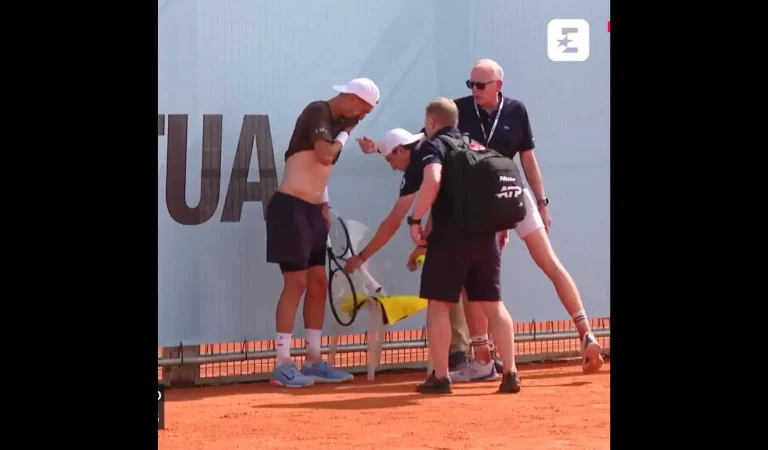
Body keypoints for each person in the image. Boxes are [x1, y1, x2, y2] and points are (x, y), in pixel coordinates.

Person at [361, 59, 604, 376]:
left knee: (548, 262)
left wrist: (542, 202)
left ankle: (585, 333)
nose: (473, 90)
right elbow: (417, 141)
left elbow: (528, 161)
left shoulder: (516, 111)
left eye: (480, 85)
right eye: (470, 84)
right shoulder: (458, 111)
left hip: (510, 194)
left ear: (498, 86)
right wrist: (379, 147)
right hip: (479, 207)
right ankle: (483, 358)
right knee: (476, 281)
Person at [347, 98, 521, 394]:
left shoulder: (430, 148)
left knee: (438, 304)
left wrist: (415, 222)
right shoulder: (472, 145)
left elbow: (432, 181)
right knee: (494, 305)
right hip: (486, 236)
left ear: (431, 123)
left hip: (452, 237)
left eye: (391, 159)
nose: (392, 167)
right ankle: (512, 374)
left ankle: (440, 377)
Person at [266, 78, 380, 388]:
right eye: (364, 110)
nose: (362, 117)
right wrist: (345, 134)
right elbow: (324, 156)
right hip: (289, 209)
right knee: (297, 282)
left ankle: (314, 360)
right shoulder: (318, 111)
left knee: (318, 283)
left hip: (314, 212)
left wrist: (324, 206)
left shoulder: (337, 123)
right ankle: (283, 363)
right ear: (353, 99)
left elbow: (321, 172)